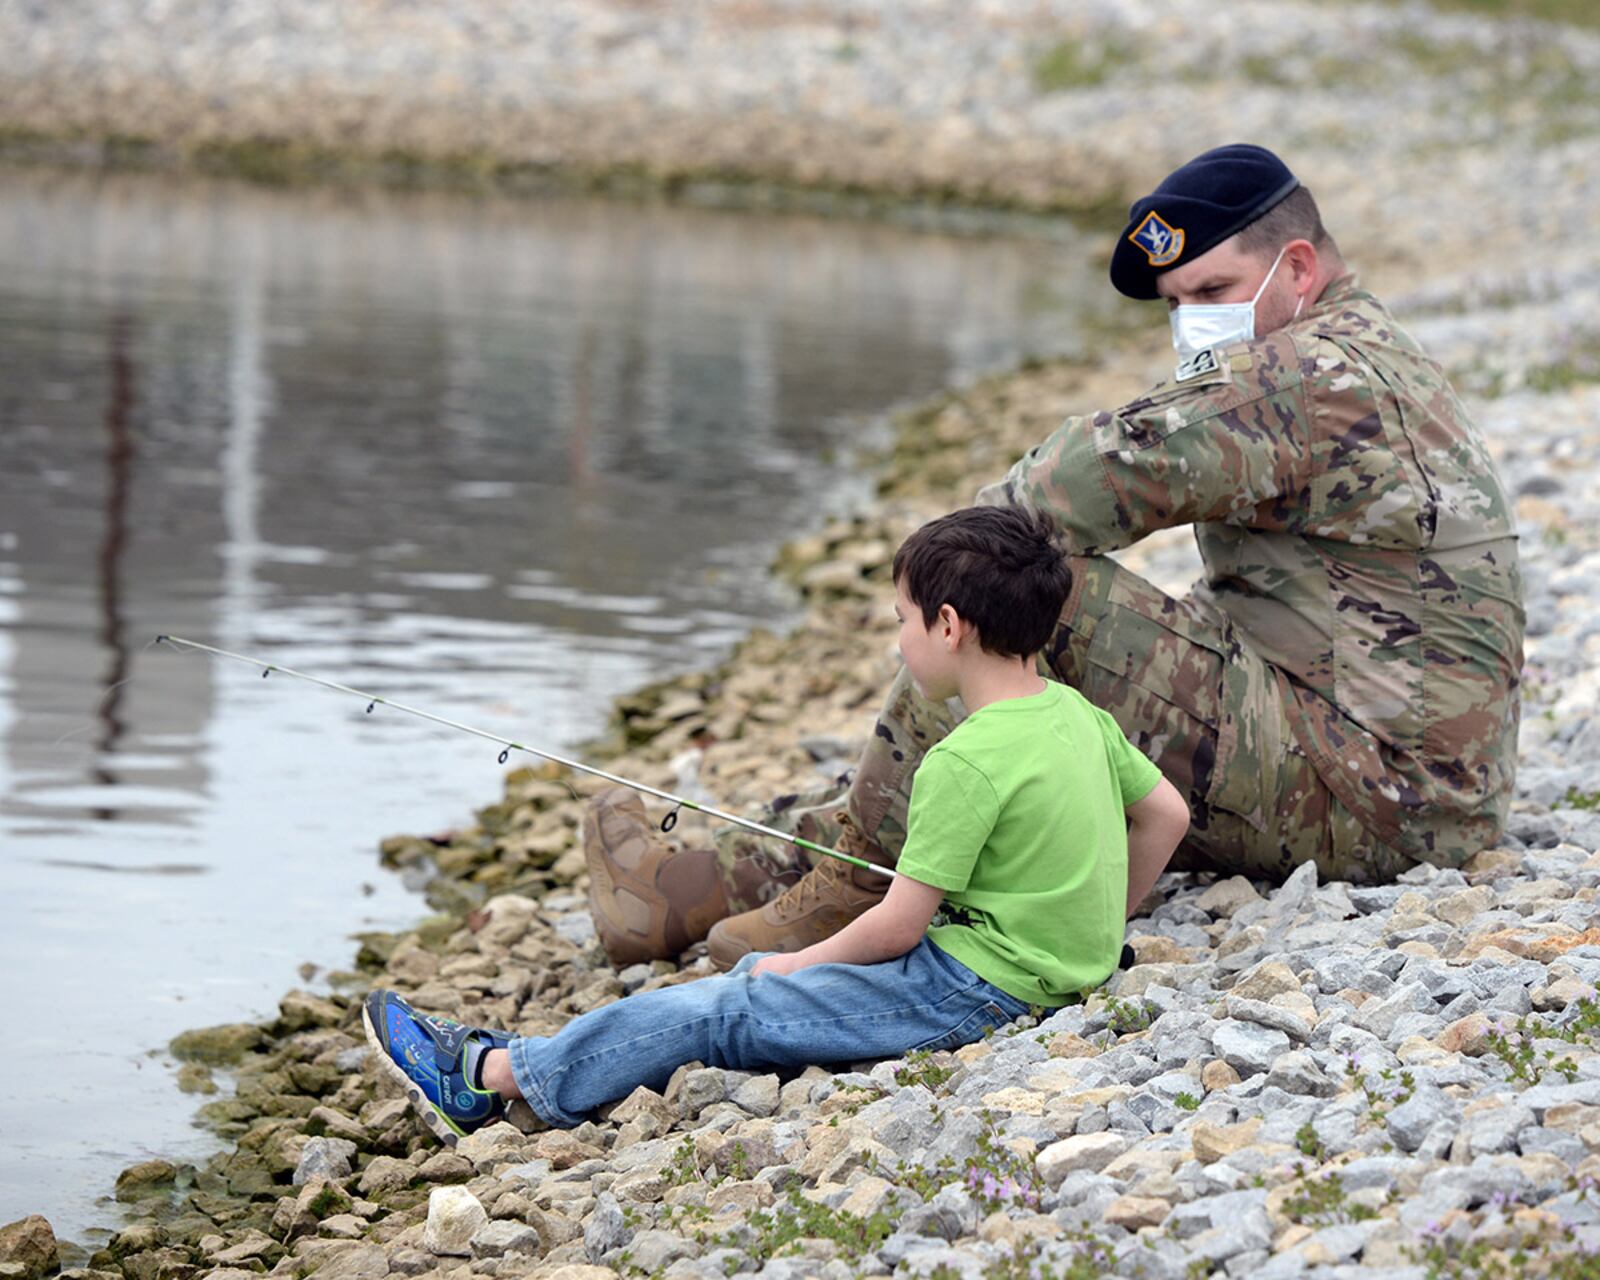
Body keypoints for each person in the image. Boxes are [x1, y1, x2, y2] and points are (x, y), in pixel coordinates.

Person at [582, 142, 1524, 973]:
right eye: (1176, 303)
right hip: (1391, 775)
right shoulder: (1357, 348)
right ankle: (709, 885)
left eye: (1213, 293)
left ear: (1299, 267)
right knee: (1027, 688)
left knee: (1031, 591)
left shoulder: (1305, 377)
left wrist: (940, 596)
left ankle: (852, 886)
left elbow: (1083, 482)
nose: (1192, 322)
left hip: (1379, 799)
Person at [363, 506, 1189, 1140]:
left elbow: (900, 926)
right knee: (754, 967)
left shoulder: (965, 761)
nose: (900, 643)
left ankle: (490, 1078)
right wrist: (1096, 924)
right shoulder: (1075, 715)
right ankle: (555, 1060)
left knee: (737, 1005)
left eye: (903, 620)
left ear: (948, 626)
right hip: (1042, 973)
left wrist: (801, 967)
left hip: (975, 992)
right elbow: (1164, 814)